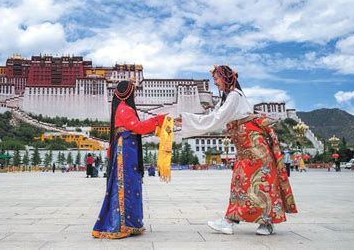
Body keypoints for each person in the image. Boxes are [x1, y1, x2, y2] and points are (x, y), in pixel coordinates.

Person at [176, 65, 297, 236]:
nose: (215, 83)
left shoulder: (234, 96)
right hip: (244, 150)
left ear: (225, 79)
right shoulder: (226, 99)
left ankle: (267, 223)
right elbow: (212, 117)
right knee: (239, 184)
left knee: (262, 184)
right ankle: (229, 221)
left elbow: (216, 119)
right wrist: (186, 120)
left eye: (217, 79)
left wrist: (188, 121)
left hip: (256, 147)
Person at [92, 80, 166, 239]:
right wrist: (158, 120)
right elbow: (138, 127)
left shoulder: (121, 108)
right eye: (134, 92)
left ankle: (131, 224)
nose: (136, 94)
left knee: (131, 184)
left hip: (128, 149)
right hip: (126, 150)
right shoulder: (125, 109)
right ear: (128, 94)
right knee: (126, 185)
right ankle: (122, 225)